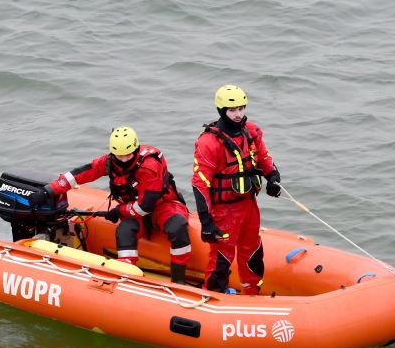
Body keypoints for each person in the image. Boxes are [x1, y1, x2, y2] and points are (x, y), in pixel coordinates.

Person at [36, 126, 191, 284]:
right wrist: (49, 190)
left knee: (177, 227)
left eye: (127, 155)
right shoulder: (110, 162)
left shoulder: (149, 167)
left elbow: (146, 206)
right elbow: (81, 174)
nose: (123, 160)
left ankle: (178, 281)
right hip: (133, 208)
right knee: (124, 231)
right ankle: (126, 276)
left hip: (163, 204)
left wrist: (119, 211)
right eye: (119, 155)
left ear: (136, 149)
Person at [191, 85, 281, 294]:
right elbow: (200, 183)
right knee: (221, 258)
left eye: (241, 108)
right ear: (222, 110)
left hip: (249, 206)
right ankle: (213, 294)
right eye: (233, 110)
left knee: (253, 253)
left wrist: (273, 177)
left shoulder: (252, 132)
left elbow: (264, 158)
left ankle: (252, 293)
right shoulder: (208, 142)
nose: (238, 114)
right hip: (224, 211)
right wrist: (206, 222)